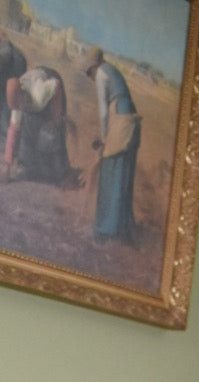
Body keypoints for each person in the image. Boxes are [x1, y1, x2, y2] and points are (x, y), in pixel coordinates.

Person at [84, 45, 141, 242]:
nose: (90, 78)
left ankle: (104, 230)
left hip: (121, 120)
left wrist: (103, 140)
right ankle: (121, 228)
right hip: (129, 120)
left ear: (92, 68)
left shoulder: (100, 74)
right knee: (123, 173)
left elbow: (103, 111)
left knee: (110, 172)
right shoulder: (112, 70)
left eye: (88, 73)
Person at [2, 67, 82, 187]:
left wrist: (56, 119)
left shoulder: (39, 94)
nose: (18, 108)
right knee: (27, 127)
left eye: (18, 105)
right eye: (15, 107)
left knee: (51, 133)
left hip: (51, 81)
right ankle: (30, 167)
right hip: (33, 83)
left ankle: (62, 175)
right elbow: (13, 133)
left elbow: (57, 86)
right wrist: (7, 166)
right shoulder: (18, 105)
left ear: (22, 95)